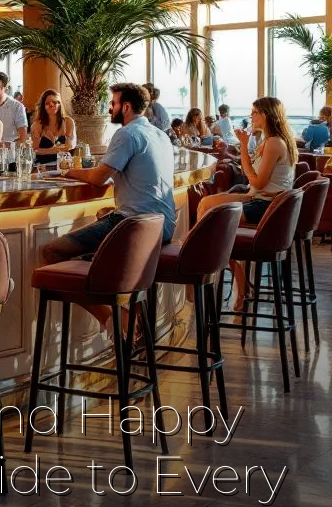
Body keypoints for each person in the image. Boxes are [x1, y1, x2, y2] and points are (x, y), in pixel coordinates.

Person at [41, 83, 176, 330]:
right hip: (161, 226)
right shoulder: (160, 135)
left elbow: (97, 178)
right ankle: (130, 315)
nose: (109, 108)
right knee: (103, 217)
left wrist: (66, 171)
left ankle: (110, 319)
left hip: (132, 226)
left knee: (53, 251)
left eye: (112, 103)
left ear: (125, 107)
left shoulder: (127, 134)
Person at [198, 97, 297, 311]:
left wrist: (243, 147)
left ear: (266, 115)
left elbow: (257, 181)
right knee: (205, 204)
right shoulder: (269, 141)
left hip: (266, 207)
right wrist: (244, 145)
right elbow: (250, 176)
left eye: (254, 112)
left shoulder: (273, 143)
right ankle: (208, 265)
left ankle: (209, 271)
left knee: (216, 225)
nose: (251, 116)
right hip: (261, 199)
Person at [29, 89, 76, 165]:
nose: (51, 105)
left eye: (54, 102)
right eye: (47, 103)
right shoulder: (37, 125)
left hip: (64, 165)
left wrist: (51, 150)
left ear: (59, 104)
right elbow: (34, 150)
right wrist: (53, 150)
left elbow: (68, 147)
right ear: (43, 106)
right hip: (42, 166)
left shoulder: (68, 122)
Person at [0, 71, 28, 144]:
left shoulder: (17, 106)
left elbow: (23, 137)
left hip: (9, 151)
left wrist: (7, 146)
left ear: (5, 87)